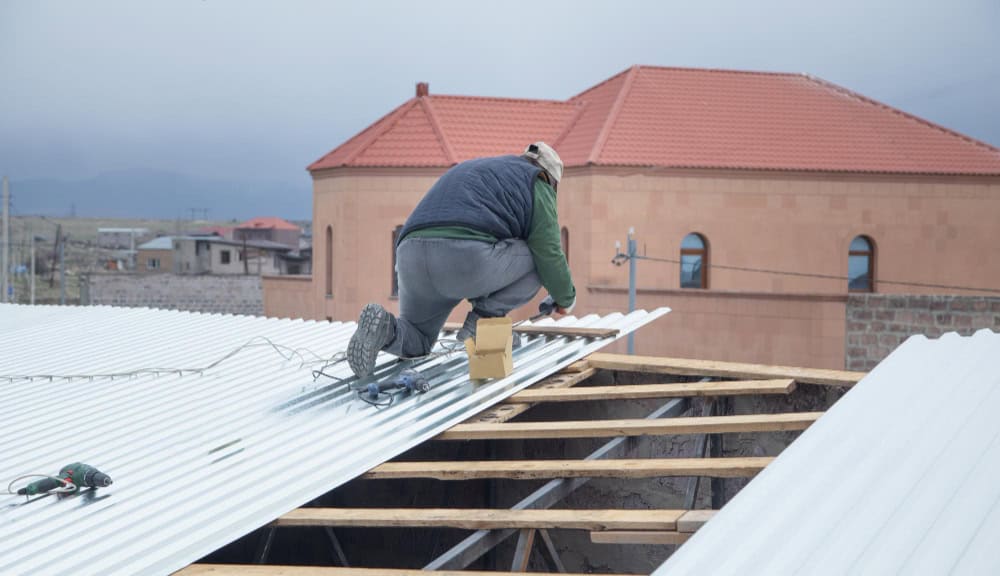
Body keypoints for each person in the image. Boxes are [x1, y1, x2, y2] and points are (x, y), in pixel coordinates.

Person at [346, 142, 576, 378]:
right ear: (552, 179)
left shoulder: (480, 168)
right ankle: (483, 322)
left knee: (417, 341)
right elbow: (548, 251)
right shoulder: (537, 180)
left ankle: (383, 329)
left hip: (410, 255)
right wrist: (565, 299)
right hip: (462, 258)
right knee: (537, 258)